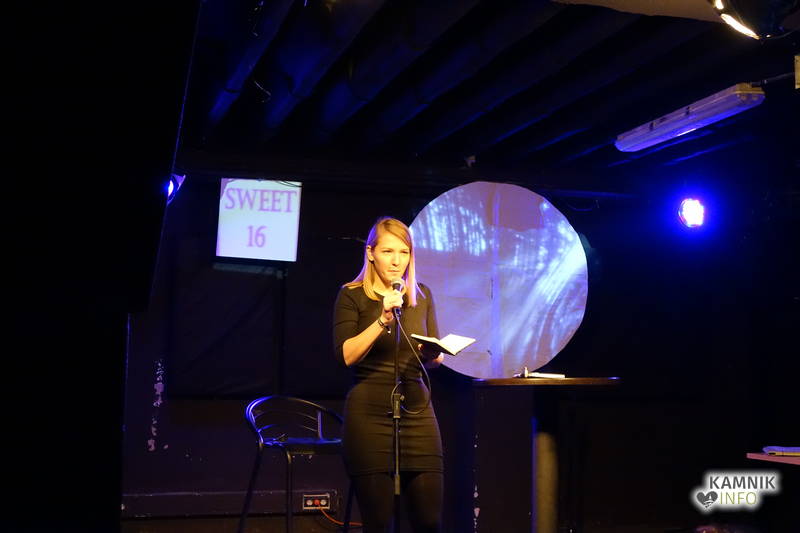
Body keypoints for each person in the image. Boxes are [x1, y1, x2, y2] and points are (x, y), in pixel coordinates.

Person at [333, 216, 444, 533]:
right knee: (379, 522)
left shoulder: (421, 295)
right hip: (369, 416)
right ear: (371, 253)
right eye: (388, 251)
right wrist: (382, 319)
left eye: (404, 252)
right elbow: (346, 355)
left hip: (417, 411)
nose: (397, 261)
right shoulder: (352, 295)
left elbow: (432, 359)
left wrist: (433, 355)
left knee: (429, 521)